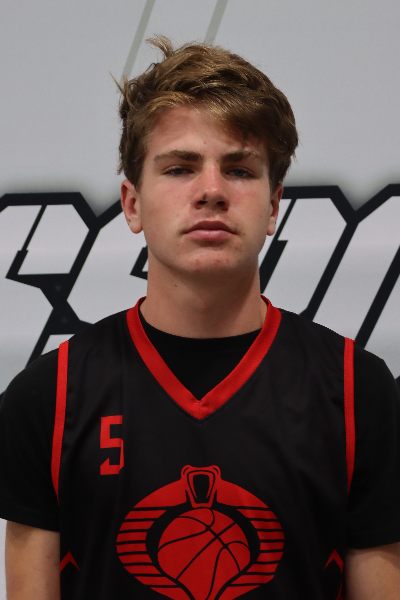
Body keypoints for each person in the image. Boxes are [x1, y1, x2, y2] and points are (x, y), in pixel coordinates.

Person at [1, 36, 399, 600]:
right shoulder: (48, 396)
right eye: (180, 168)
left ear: (273, 206)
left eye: (238, 170)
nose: (211, 191)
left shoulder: (359, 391)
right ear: (132, 204)